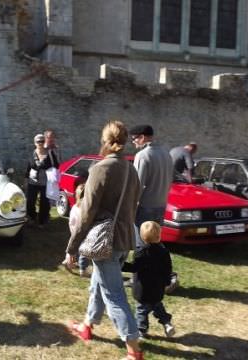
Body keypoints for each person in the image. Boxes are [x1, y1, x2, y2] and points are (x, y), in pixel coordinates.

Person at [64, 121, 144, 360]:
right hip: (123, 238)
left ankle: (133, 351)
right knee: (98, 284)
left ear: (105, 141)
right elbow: (135, 202)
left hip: (105, 242)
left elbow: (87, 212)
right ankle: (88, 326)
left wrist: (72, 247)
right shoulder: (131, 169)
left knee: (114, 295)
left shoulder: (101, 168)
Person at [122, 221, 176, 339]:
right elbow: (168, 269)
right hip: (157, 288)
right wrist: (167, 282)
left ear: (142, 236)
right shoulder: (164, 252)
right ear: (159, 236)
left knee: (141, 310)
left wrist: (121, 264)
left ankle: (141, 330)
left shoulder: (140, 252)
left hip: (143, 290)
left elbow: (134, 267)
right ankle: (167, 323)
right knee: (158, 306)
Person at [129, 124, 173, 248]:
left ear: (142, 137)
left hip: (145, 206)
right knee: (155, 242)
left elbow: (137, 185)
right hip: (161, 205)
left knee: (141, 243)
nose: (133, 142)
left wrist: (130, 208)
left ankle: (142, 267)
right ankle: (155, 266)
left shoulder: (142, 155)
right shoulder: (166, 153)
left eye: (134, 139)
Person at [25, 134, 59, 228]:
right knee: (30, 201)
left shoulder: (50, 153)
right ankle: (31, 218)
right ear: (34, 143)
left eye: (42, 141)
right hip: (32, 181)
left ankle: (42, 221)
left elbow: (56, 165)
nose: (40, 143)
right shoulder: (32, 153)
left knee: (44, 202)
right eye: (38, 141)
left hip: (46, 182)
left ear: (44, 142)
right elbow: (28, 166)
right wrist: (26, 179)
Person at [67, 177, 91, 278]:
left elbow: (71, 220)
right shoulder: (85, 209)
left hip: (73, 230)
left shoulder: (74, 207)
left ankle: (68, 261)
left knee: (73, 246)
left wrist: (72, 229)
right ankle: (83, 269)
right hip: (83, 232)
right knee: (84, 252)